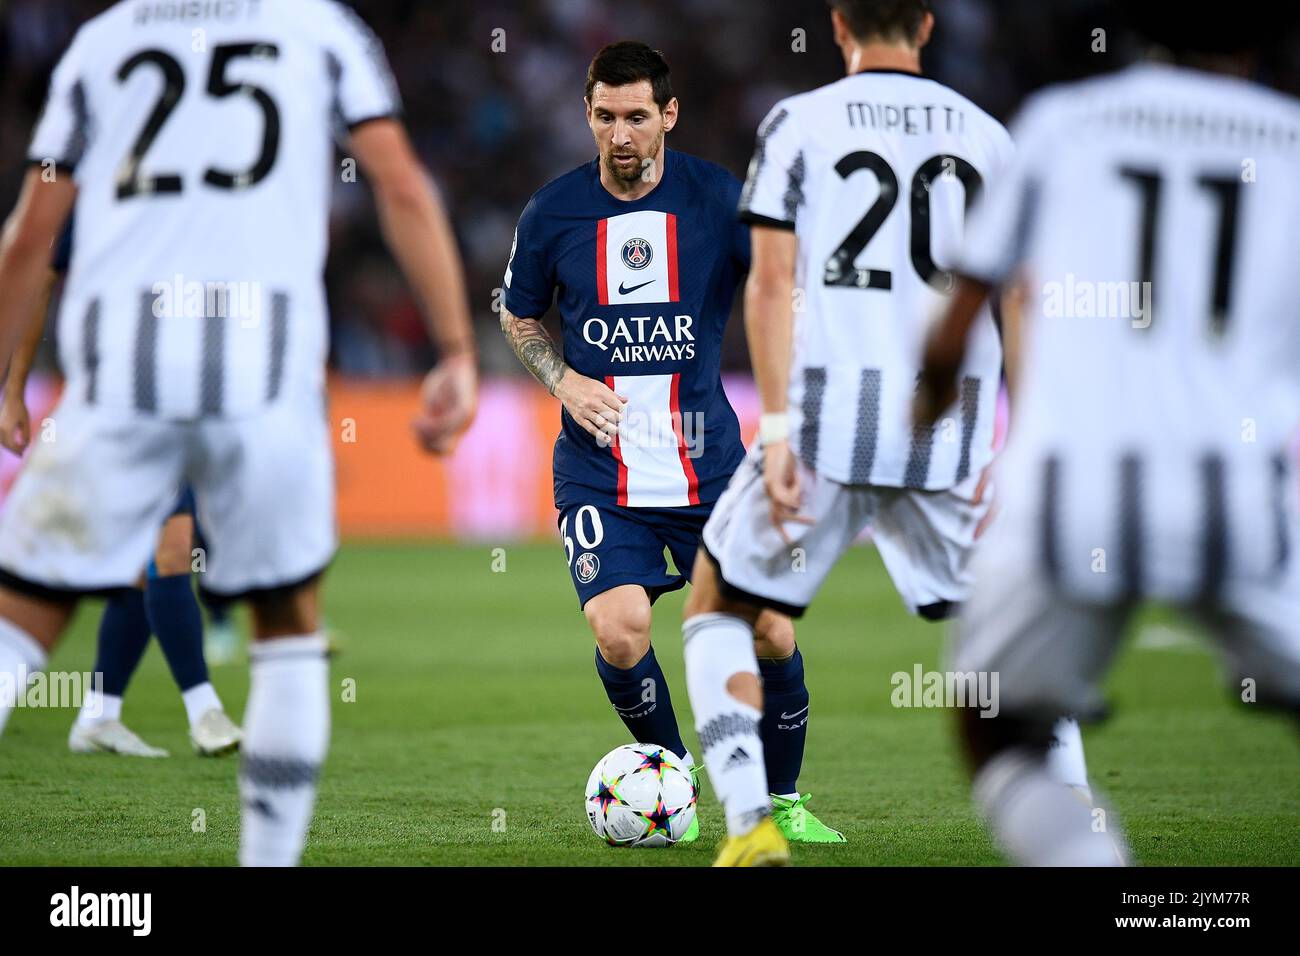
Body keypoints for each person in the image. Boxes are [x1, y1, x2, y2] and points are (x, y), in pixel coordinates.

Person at [0, 0, 476, 866]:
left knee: (23, 613)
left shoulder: (101, 42)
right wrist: (452, 347)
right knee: (289, 623)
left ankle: (107, 708)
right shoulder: (323, 30)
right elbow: (401, 183)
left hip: (122, 367)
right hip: (264, 367)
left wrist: (3, 377)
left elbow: (31, 235)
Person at [679, 0, 1088, 865]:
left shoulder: (799, 122)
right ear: (928, 26)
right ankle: (1078, 821)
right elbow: (1022, 301)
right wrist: (1030, 438)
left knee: (717, 603)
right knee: (1017, 652)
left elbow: (771, 282)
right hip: (956, 440)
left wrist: (779, 430)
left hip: (829, 431)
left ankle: (752, 824)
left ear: (837, 25)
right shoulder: (990, 137)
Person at [916, 3, 1300, 865]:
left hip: (1070, 492)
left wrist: (929, 403)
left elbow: (958, 318)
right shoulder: (1291, 142)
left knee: (995, 723)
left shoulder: (1064, 123)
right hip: (1241, 495)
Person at [501, 41, 843, 844]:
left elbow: (776, 289)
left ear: (668, 115)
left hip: (709, 468)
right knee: (620, 630)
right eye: (606, 117)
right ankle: (673, 776)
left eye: (637, 117)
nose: (621, 135)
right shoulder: (551, 212)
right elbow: (517, 314)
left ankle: (784, 798)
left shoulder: (719, 200)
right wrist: (562, 379)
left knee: (770, 630)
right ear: (587, 115)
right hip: (600, 472)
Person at [1, 217, 240, 757]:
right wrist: (13, 389)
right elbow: (38, 279)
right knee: (171, 549)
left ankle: (98, 715)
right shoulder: (92, 198)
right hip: (112, 407)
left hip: (178, 405)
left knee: (140, 569)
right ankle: (204, 710)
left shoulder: (199, 204)